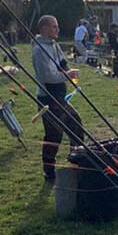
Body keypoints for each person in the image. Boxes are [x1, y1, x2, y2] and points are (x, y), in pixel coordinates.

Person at [30, 15, 84, 185]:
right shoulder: (39, 50)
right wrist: (67, 75)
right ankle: (49, 171)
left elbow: (62, 62)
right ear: (44, 29)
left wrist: (68, 71)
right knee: (54, 135)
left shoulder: (54, 44)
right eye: (54, 27)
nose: (58, 29)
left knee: (76, 124)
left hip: (60, 96)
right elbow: (49, 77)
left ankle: (76, 160)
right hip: (48, 98)